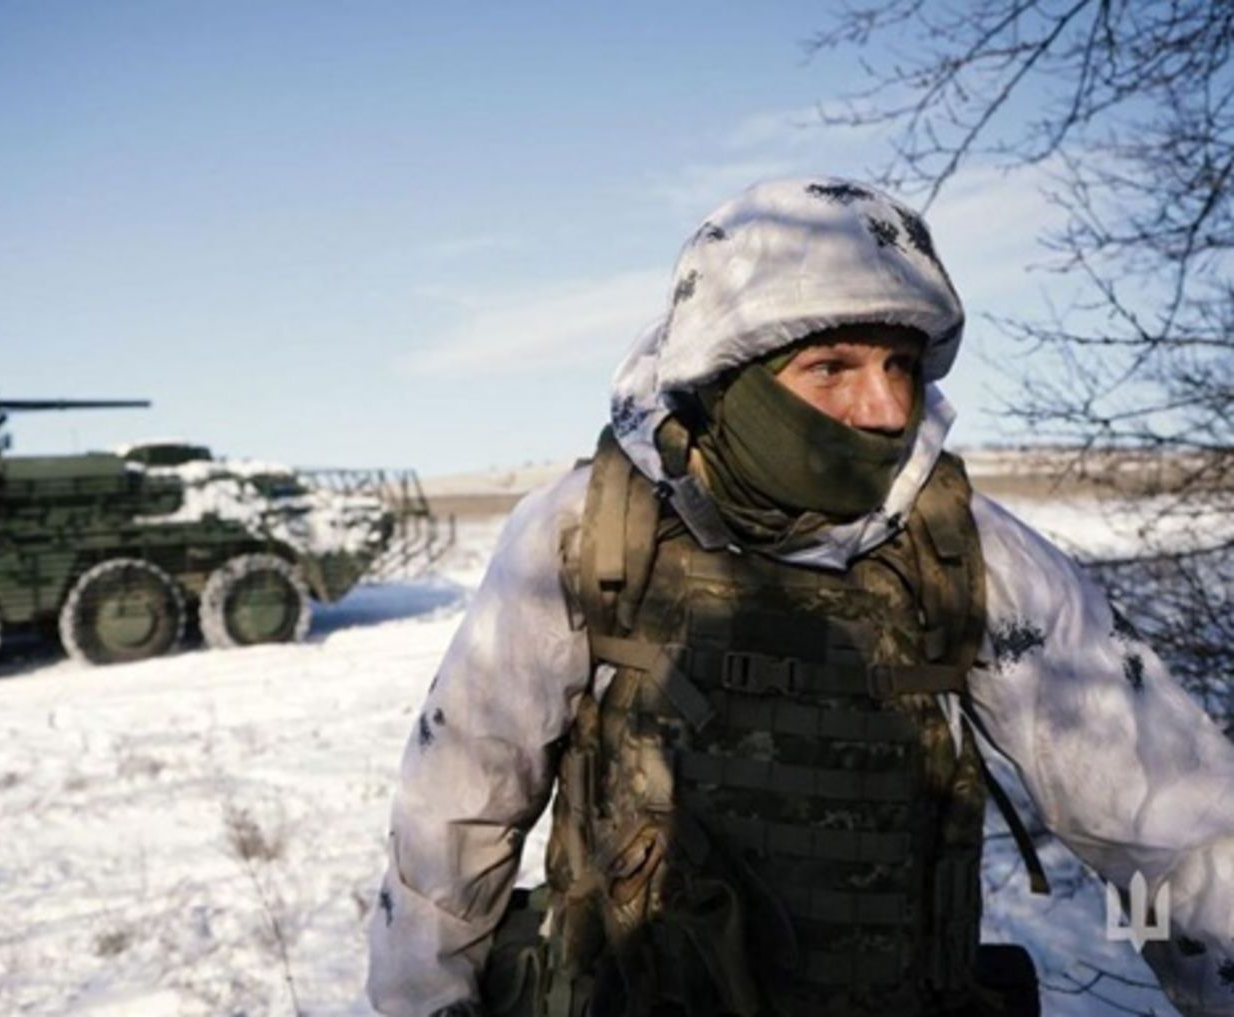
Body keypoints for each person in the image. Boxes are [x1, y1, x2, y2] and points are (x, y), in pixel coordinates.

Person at [366, 178, 1234, 1017]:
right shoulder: (589, 531)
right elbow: (463, 794)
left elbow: (1164, 823)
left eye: (900, 364)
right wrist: (426, 995)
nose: (884, 407)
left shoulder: (967, 548)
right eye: (831, 366)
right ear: (729, 374)